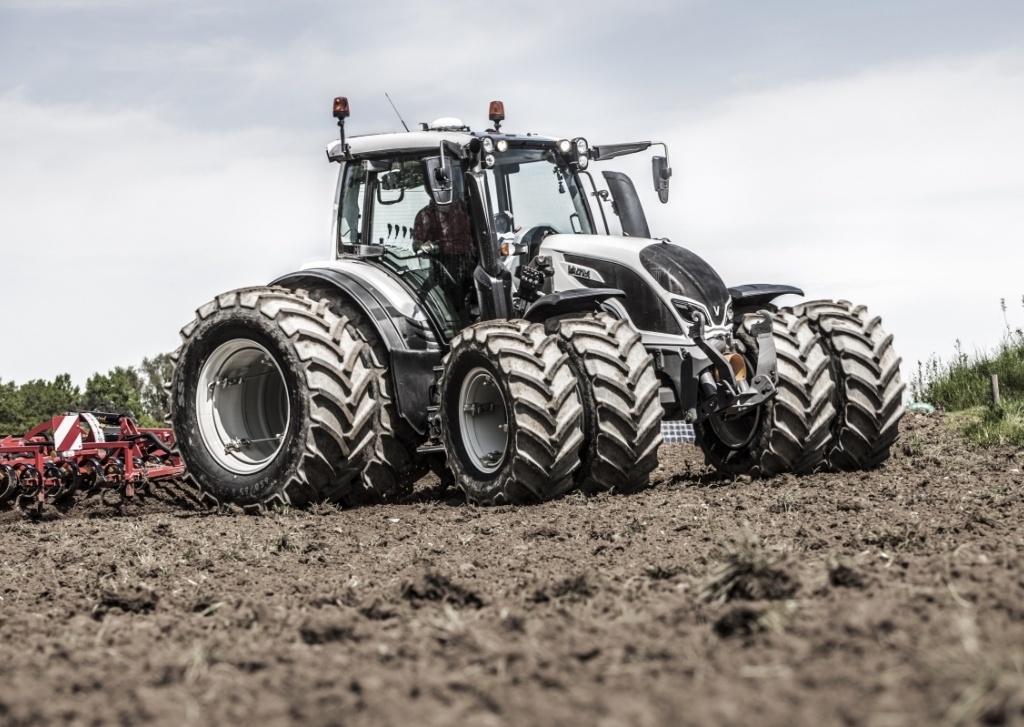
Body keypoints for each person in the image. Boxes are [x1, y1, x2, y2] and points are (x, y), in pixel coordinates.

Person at [413, 195, 478, 323]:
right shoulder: (424, 215)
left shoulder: (468, 210)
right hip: (442, 267)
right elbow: (416, 244)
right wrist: (422, 245)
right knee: (453, 312)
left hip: (471, 264)